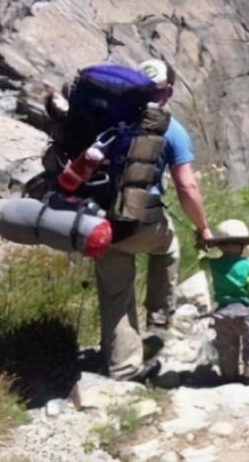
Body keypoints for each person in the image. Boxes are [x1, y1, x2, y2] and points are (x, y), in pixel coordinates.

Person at [93, 58, 214, 382]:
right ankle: (157, 332)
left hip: (104, 223)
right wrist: (203, 227)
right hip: (147, 221)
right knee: (168, 247)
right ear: (168, 91)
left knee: (117, 290)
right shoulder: (171, 128)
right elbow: (186, 186)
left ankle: (122, 367)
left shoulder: (110, 118)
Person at [201, 219, 249, 384]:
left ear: (220, 246)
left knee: (226, 345)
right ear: (242, 246)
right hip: (245, 312)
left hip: (222, 312)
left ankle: (228, 375)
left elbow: (200, 260)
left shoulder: (212, 264)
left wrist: (202, 245)